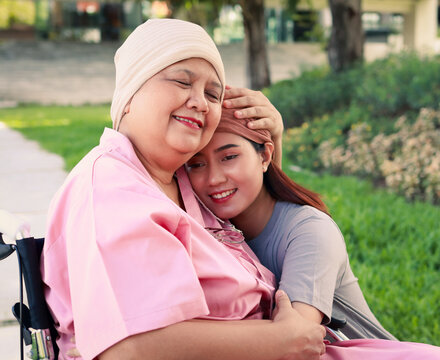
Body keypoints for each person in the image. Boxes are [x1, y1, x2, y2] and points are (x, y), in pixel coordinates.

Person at [42, 18, 327, 360]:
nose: (201, 103)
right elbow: (125, 350)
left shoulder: (183, 181)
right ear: (129, 95)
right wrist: (280, 341)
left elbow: (264, 219)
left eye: (213, 94)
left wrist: (272, 139)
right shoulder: (110, 190)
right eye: (182, 82)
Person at [184, 107, 440, 359]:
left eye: (229, 157)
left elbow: (292, 341)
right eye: (196, 164)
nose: (214, 179)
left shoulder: (309, 231)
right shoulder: (212, 233)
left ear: (265, 156)